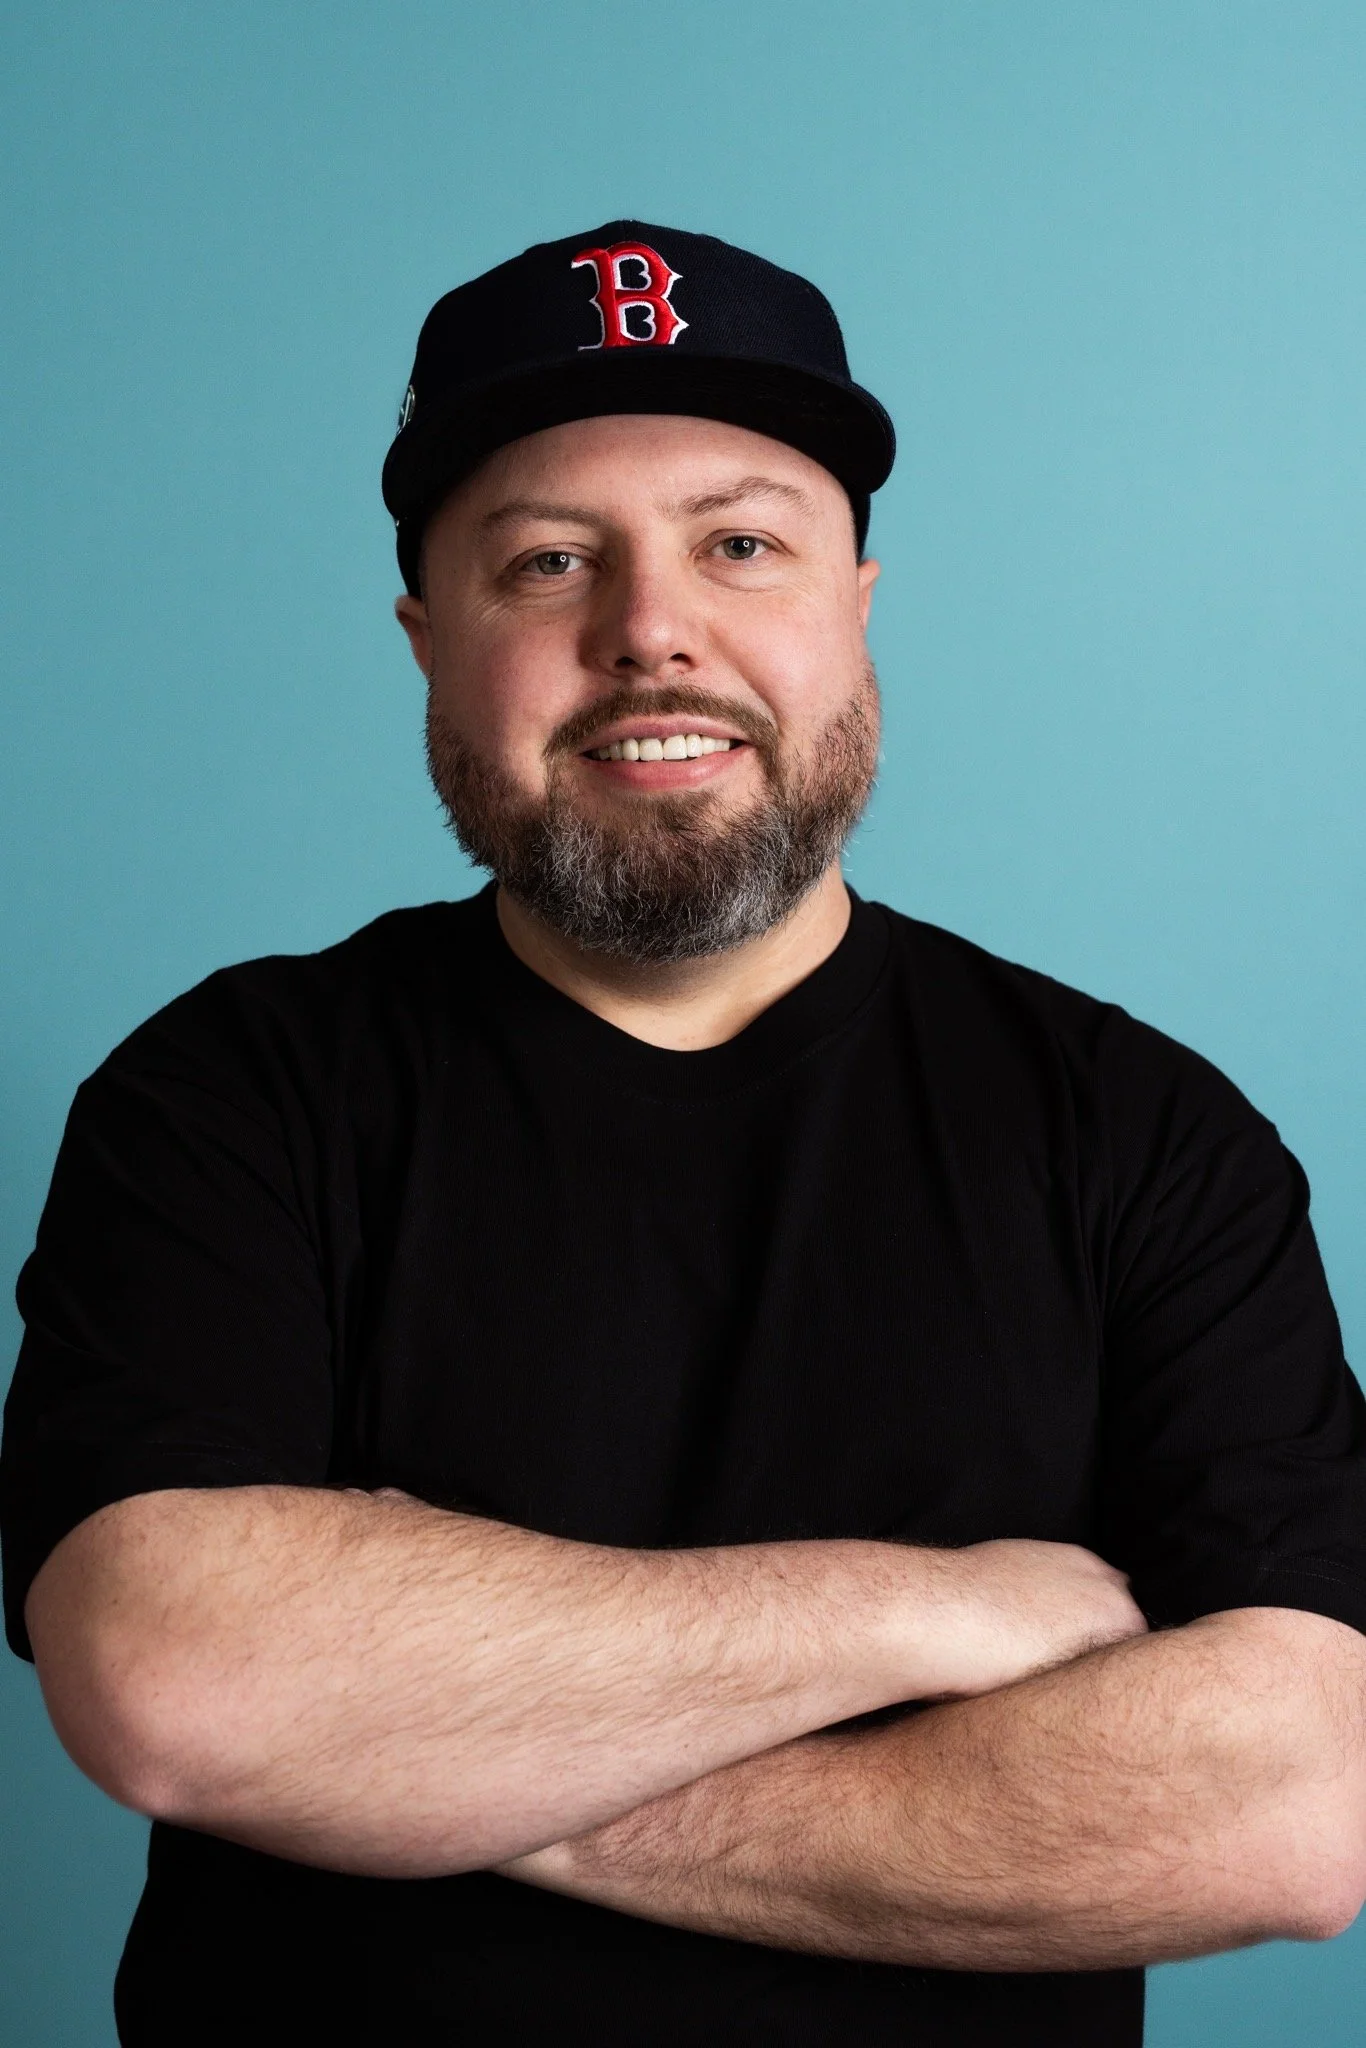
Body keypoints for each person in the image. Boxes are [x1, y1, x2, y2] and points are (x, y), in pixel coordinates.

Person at [4, 221, 1366, 2048]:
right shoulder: (227, 1094)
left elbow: (1296, 1809)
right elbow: (176, 1680)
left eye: (740, 545)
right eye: (548, 561)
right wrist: (928, 1617)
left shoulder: (1143, 1137)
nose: (650, 629)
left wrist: (425, 1759)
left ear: (853, 607)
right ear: (428, 642)